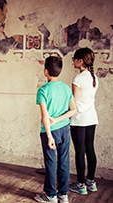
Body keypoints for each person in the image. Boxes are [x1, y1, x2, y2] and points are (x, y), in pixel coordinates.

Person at [35, 56, 77, 203]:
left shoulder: (43, 91)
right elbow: (73, 110)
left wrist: (49, 136)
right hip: (65, 129)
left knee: (51, 163)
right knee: (64, 161)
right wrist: (59, 120)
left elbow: (45, 117)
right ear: (59, 71)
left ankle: (51, 195)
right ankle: (63, 195)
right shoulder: (66, 88)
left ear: (45, 71)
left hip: (50, 131)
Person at [69, 47, 99, 195]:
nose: (73, 61)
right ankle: (91, 182)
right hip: (92, 118)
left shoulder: (78, 79)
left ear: (80, 61)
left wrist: (66, 114)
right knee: (90, 149)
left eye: (74, 59)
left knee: (80, 151)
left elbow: (73, 102)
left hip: (79, 119)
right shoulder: (94, 78)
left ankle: (80, 184)